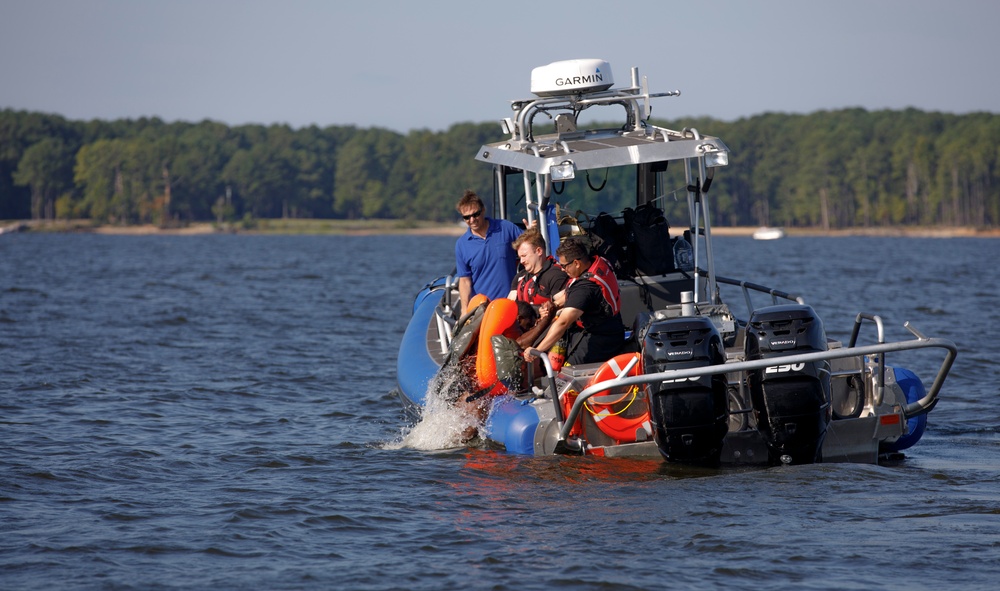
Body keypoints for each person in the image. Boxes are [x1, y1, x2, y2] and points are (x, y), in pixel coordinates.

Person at [525, 236, 625, 366]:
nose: (562, 269)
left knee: (570, 372)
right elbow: (571, 294)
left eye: (564, 266)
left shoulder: (585, 288)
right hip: (613, 325)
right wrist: (555, 305)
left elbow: (563, 322)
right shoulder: (597, 262)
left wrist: (537, 350)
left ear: (577, 263)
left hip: (602, 338)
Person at [454, 189, 522, 315]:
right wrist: (464, 310)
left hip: (511, 302)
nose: (472, 219)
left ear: (483, 210)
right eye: (467, 217)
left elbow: (529, 246)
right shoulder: (461, 244)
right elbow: (464, 281)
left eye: (476, 214)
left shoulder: (506, 227)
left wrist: (532, 231)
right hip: (482, 309)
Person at [506, 229, 569, 348]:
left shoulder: (556, 275)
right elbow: (508, 305)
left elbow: (566, 310)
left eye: (524, 256)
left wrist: (545, 311)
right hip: (522, 335)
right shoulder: (520, 277)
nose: (522, 261)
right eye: (520, 257)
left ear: (539, 251)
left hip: (547, 338)